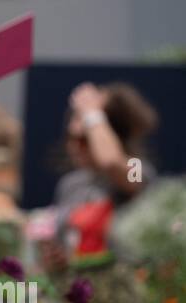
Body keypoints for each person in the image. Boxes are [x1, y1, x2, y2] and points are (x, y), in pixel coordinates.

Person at [46, 81, 159, 266]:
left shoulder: (138, 168)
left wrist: (92, 113)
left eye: (84, 139)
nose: (74, 147)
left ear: (114, 135)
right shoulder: (71, 183)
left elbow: (111, 161)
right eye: (71, 138)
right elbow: (67, 246)